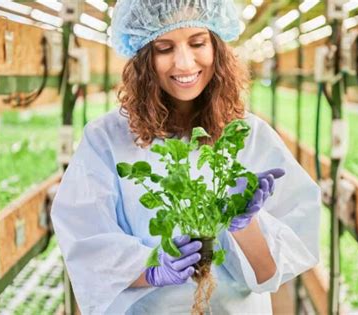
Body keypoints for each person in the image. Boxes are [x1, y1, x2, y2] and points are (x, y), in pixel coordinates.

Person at [50, 0, 321, 314]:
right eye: (164, 48)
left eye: (197, 43)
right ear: (142, 56)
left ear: (216, 46)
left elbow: (269, 272)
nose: (184, 63)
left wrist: (244, 224)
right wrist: (150, 268)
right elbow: (87, 247)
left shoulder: (249, 136)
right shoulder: (106, 139)